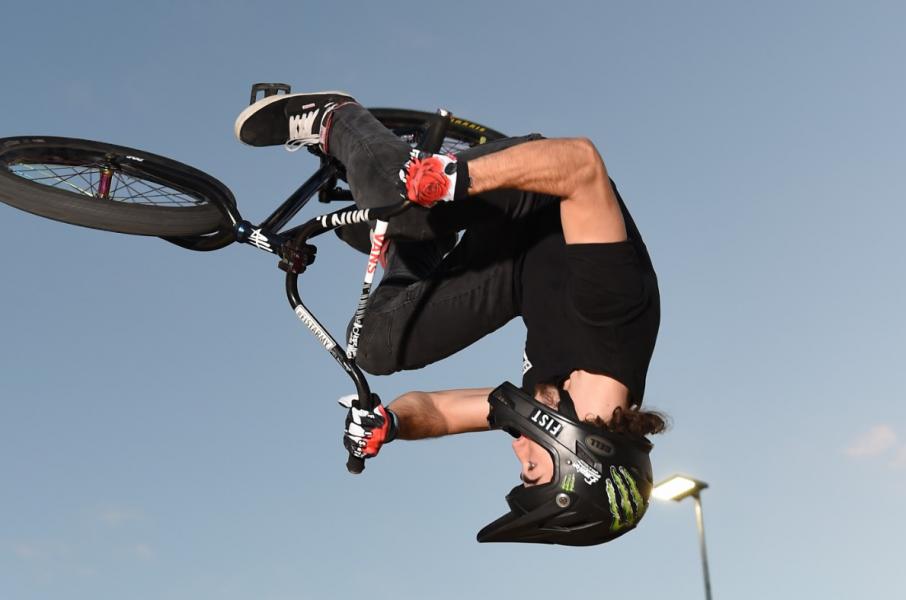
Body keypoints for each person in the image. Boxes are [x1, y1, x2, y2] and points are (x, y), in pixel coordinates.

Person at [235, 91, 666, 546]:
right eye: (532, 466)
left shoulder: (553, 403)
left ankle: (413, 245)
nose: (517, 448)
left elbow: (441, 413)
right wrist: (452, 178)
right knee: (399, 196)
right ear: (579, 458)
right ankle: (333, 116)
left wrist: (390, 424)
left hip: (507, 266)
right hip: (541, 188)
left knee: (377, 345)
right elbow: (582, 165)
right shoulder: (613, 316)